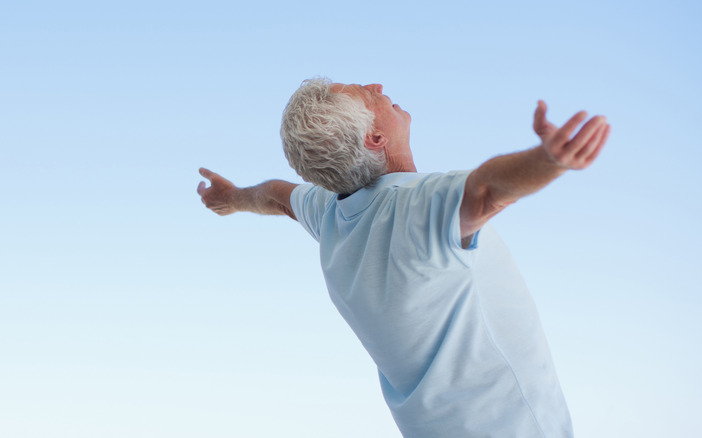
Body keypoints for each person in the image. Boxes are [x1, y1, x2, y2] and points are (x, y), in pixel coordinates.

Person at [197, 78, 610, 438]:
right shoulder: (414, 207)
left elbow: (276, 196)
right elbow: (487, 190)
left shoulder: (333, 215)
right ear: (374, 139)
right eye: (367, 94)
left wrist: (231, 198)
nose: (377, 86)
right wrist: (549, 161)